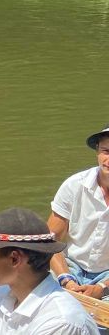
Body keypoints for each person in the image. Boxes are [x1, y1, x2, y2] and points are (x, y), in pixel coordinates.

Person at [48, 125, 109, 301]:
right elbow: (49, 240)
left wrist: (102, 288)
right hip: (70, 267)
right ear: (97, 151)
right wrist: (66, 279)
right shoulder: (74, 186)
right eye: (106, 151)